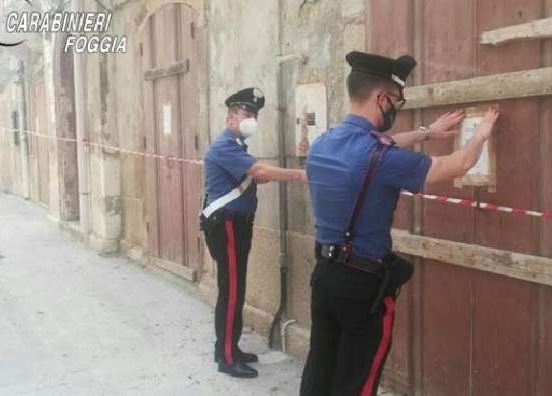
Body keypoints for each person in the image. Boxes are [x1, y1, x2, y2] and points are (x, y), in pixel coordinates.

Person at [301, 51, 501, 395]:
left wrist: (426, 132)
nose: (396, 107)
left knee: (320, 370)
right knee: (356, 382)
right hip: (363, 286)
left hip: (325, 276)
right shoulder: (382, 159)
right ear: (381, 98)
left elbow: (382, 145)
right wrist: (481, 132)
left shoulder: (323, 144)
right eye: (396, 100)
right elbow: (457, 165)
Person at [201, 87, 307, 379]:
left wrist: (272, 174)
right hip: (227, 224)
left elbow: (256, 175)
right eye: (247, 112)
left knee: (236, 289)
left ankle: (231, 348)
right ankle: (225, 356)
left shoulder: (236, 147)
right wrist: (300, 175)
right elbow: (259, 169)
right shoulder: (225, 145)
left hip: (236, 224)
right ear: (232, 115)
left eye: (255, 114)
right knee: (231, 291)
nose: (252, 118)